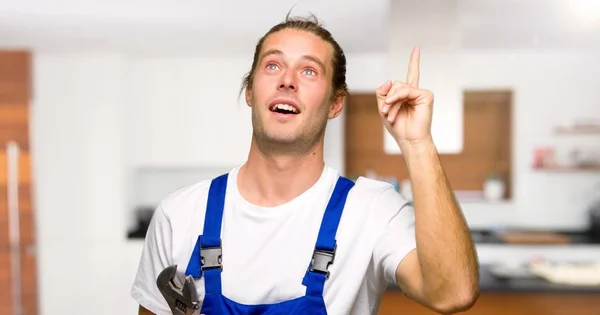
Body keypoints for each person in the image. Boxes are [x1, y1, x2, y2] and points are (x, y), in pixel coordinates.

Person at [131, 13, 479, 315]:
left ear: (335, 104)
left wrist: (418, 145)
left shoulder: (371, 212)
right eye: (273, 65)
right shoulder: (179, 215)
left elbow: (453, 294)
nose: (287, 79)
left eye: (309, 71)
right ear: (250, 91)